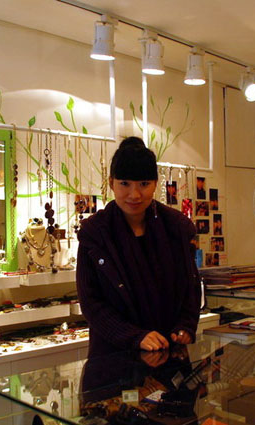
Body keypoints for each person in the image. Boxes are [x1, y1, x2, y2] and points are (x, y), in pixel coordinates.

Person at [76, 137, 201, 357]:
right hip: (113, 357)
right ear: (111, 182)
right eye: (125, 184)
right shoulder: (95, 233)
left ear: (155, 183)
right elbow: (90, 301)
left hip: (168, 353)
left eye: (144, 184)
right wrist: (134, 336)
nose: (134, 195)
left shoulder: (177, 228)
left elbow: (190, 285)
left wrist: (186, 324)